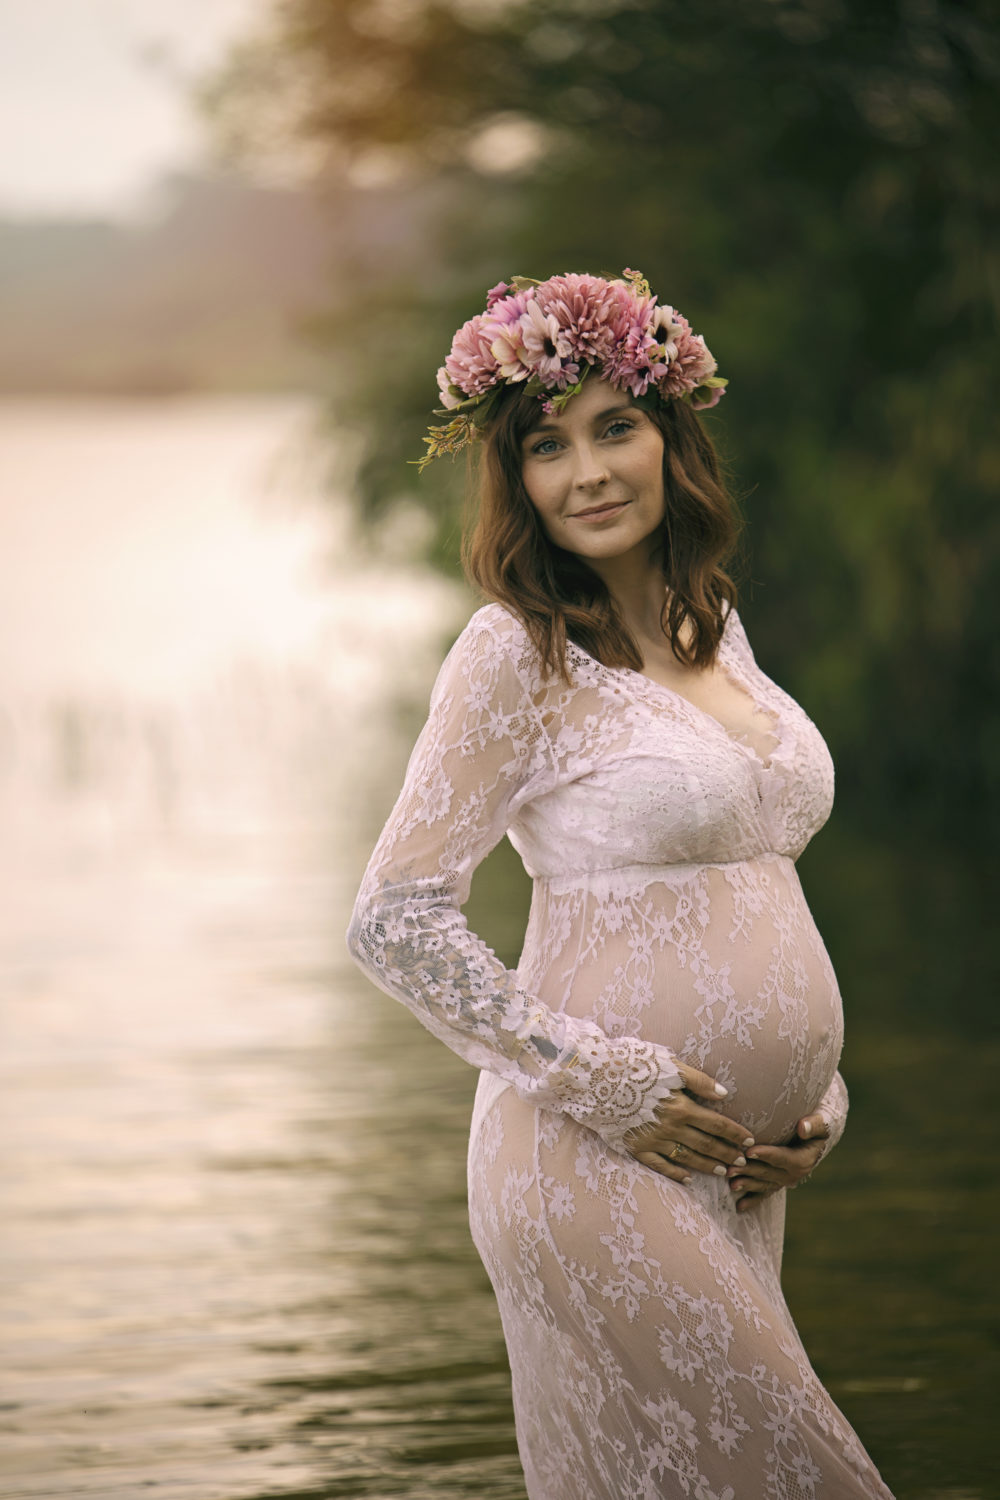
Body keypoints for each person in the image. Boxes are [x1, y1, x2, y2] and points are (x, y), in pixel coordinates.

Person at [347, 270, 894, 1498]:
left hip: (736, 1162)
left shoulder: (715, 625)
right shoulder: (515, 652)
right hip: (593, 1154)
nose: (587, 471)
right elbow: (394, 922)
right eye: (547, 445)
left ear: (670, 439)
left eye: (615, 428)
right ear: (516, 479)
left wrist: (815, 1092)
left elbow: (754, 883)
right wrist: (604, 1079)